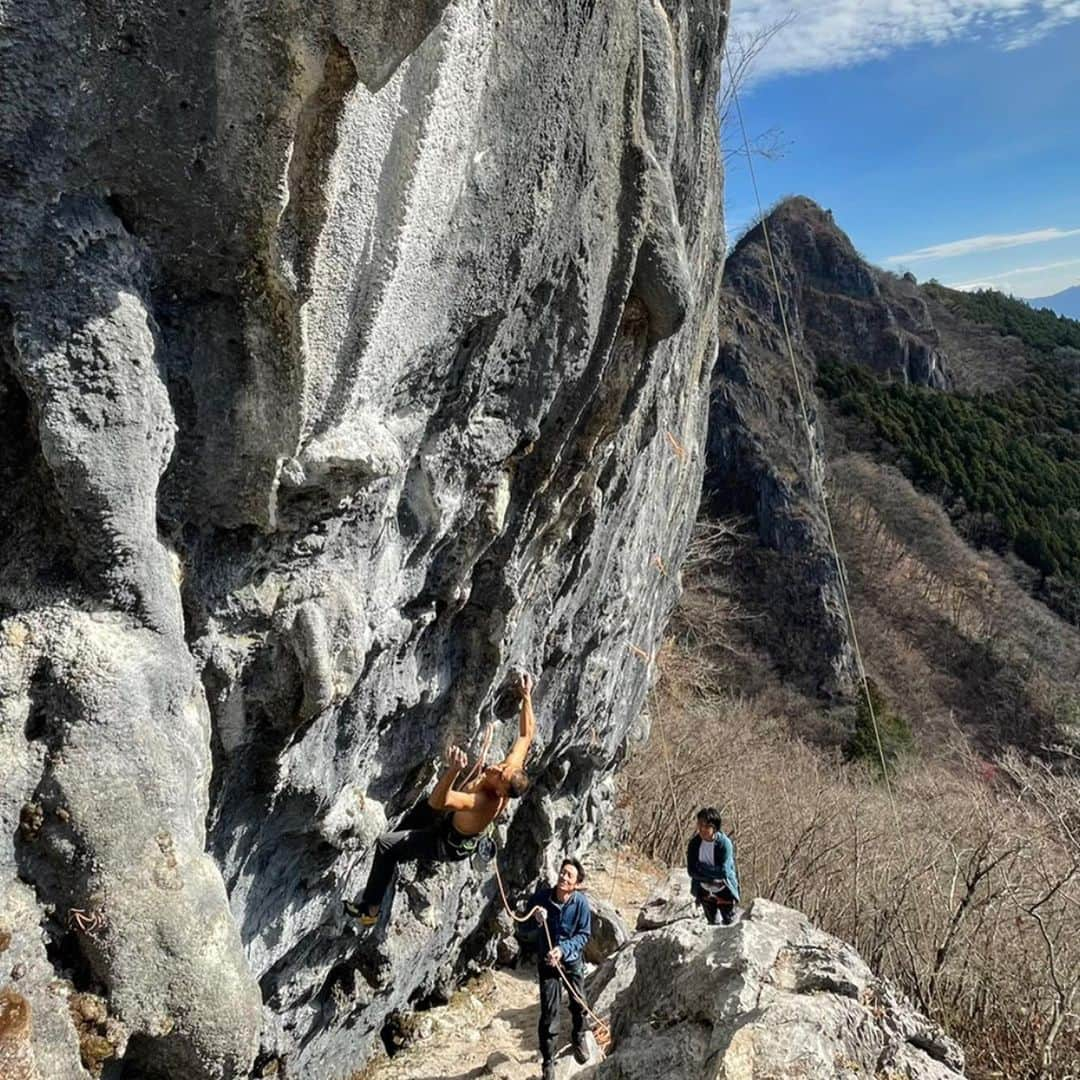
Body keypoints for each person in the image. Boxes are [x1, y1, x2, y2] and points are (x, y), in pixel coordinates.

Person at [346, 672, 536, 926]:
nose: (497, 769)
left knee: (386, 846)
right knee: (409, 826)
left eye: (500, 775)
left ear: (501, 792)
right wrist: (527, 697)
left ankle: (369, 911)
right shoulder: (510, 769)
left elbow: (438, 801)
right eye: (504, 768)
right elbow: (526, 735)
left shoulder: (484, 802)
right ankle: (397, 856)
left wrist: (454, 770)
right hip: (449, 819)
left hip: (446, 842)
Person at [528, 858, 593, 1080]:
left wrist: (563, 950)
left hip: (571, 960)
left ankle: (579, 1034)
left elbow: (584, 934)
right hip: (547, 963)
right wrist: (536, 918)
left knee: (579, 1001)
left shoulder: (581, 904)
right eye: (563, 873)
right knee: (549, 1012)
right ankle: (548, 1061)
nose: (563, 877)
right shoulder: (542, 898)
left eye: (569, 876)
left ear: (576, 884)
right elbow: (522, 923)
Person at [686, 806, 739, 925]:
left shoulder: (724, 844)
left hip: (724, 889)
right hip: (704, 890)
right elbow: (691, 871)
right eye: (700, 825)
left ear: (714, 828)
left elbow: (724, 872)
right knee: (712, 923)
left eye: (706, 826)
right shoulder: (694, 844)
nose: (702, 829)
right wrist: (710, 875)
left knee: (729, 924)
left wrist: (702, 868)